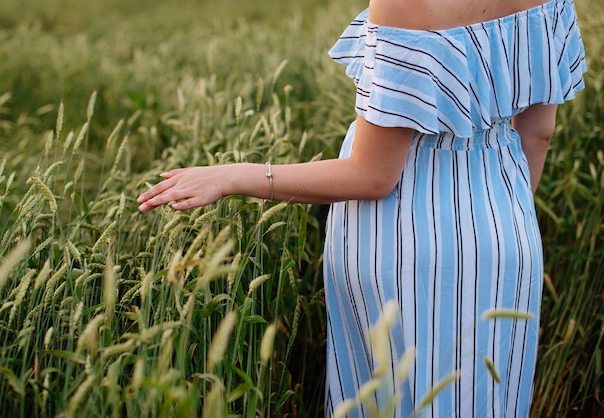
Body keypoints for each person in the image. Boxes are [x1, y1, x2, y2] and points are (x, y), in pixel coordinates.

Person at [138, 0, 586, 415]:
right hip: (507, 226)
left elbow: (374, 176)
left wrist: (234, 176)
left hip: (404, 240)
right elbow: (538, 133)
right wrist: (497, 217)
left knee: (387, 398)